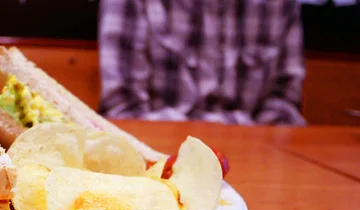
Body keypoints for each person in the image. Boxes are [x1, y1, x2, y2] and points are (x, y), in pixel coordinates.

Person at [98, 0, 307, 125]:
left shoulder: (280, 4)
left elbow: (285, 103)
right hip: (159, 157)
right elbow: (122, 111)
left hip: (257, 158)